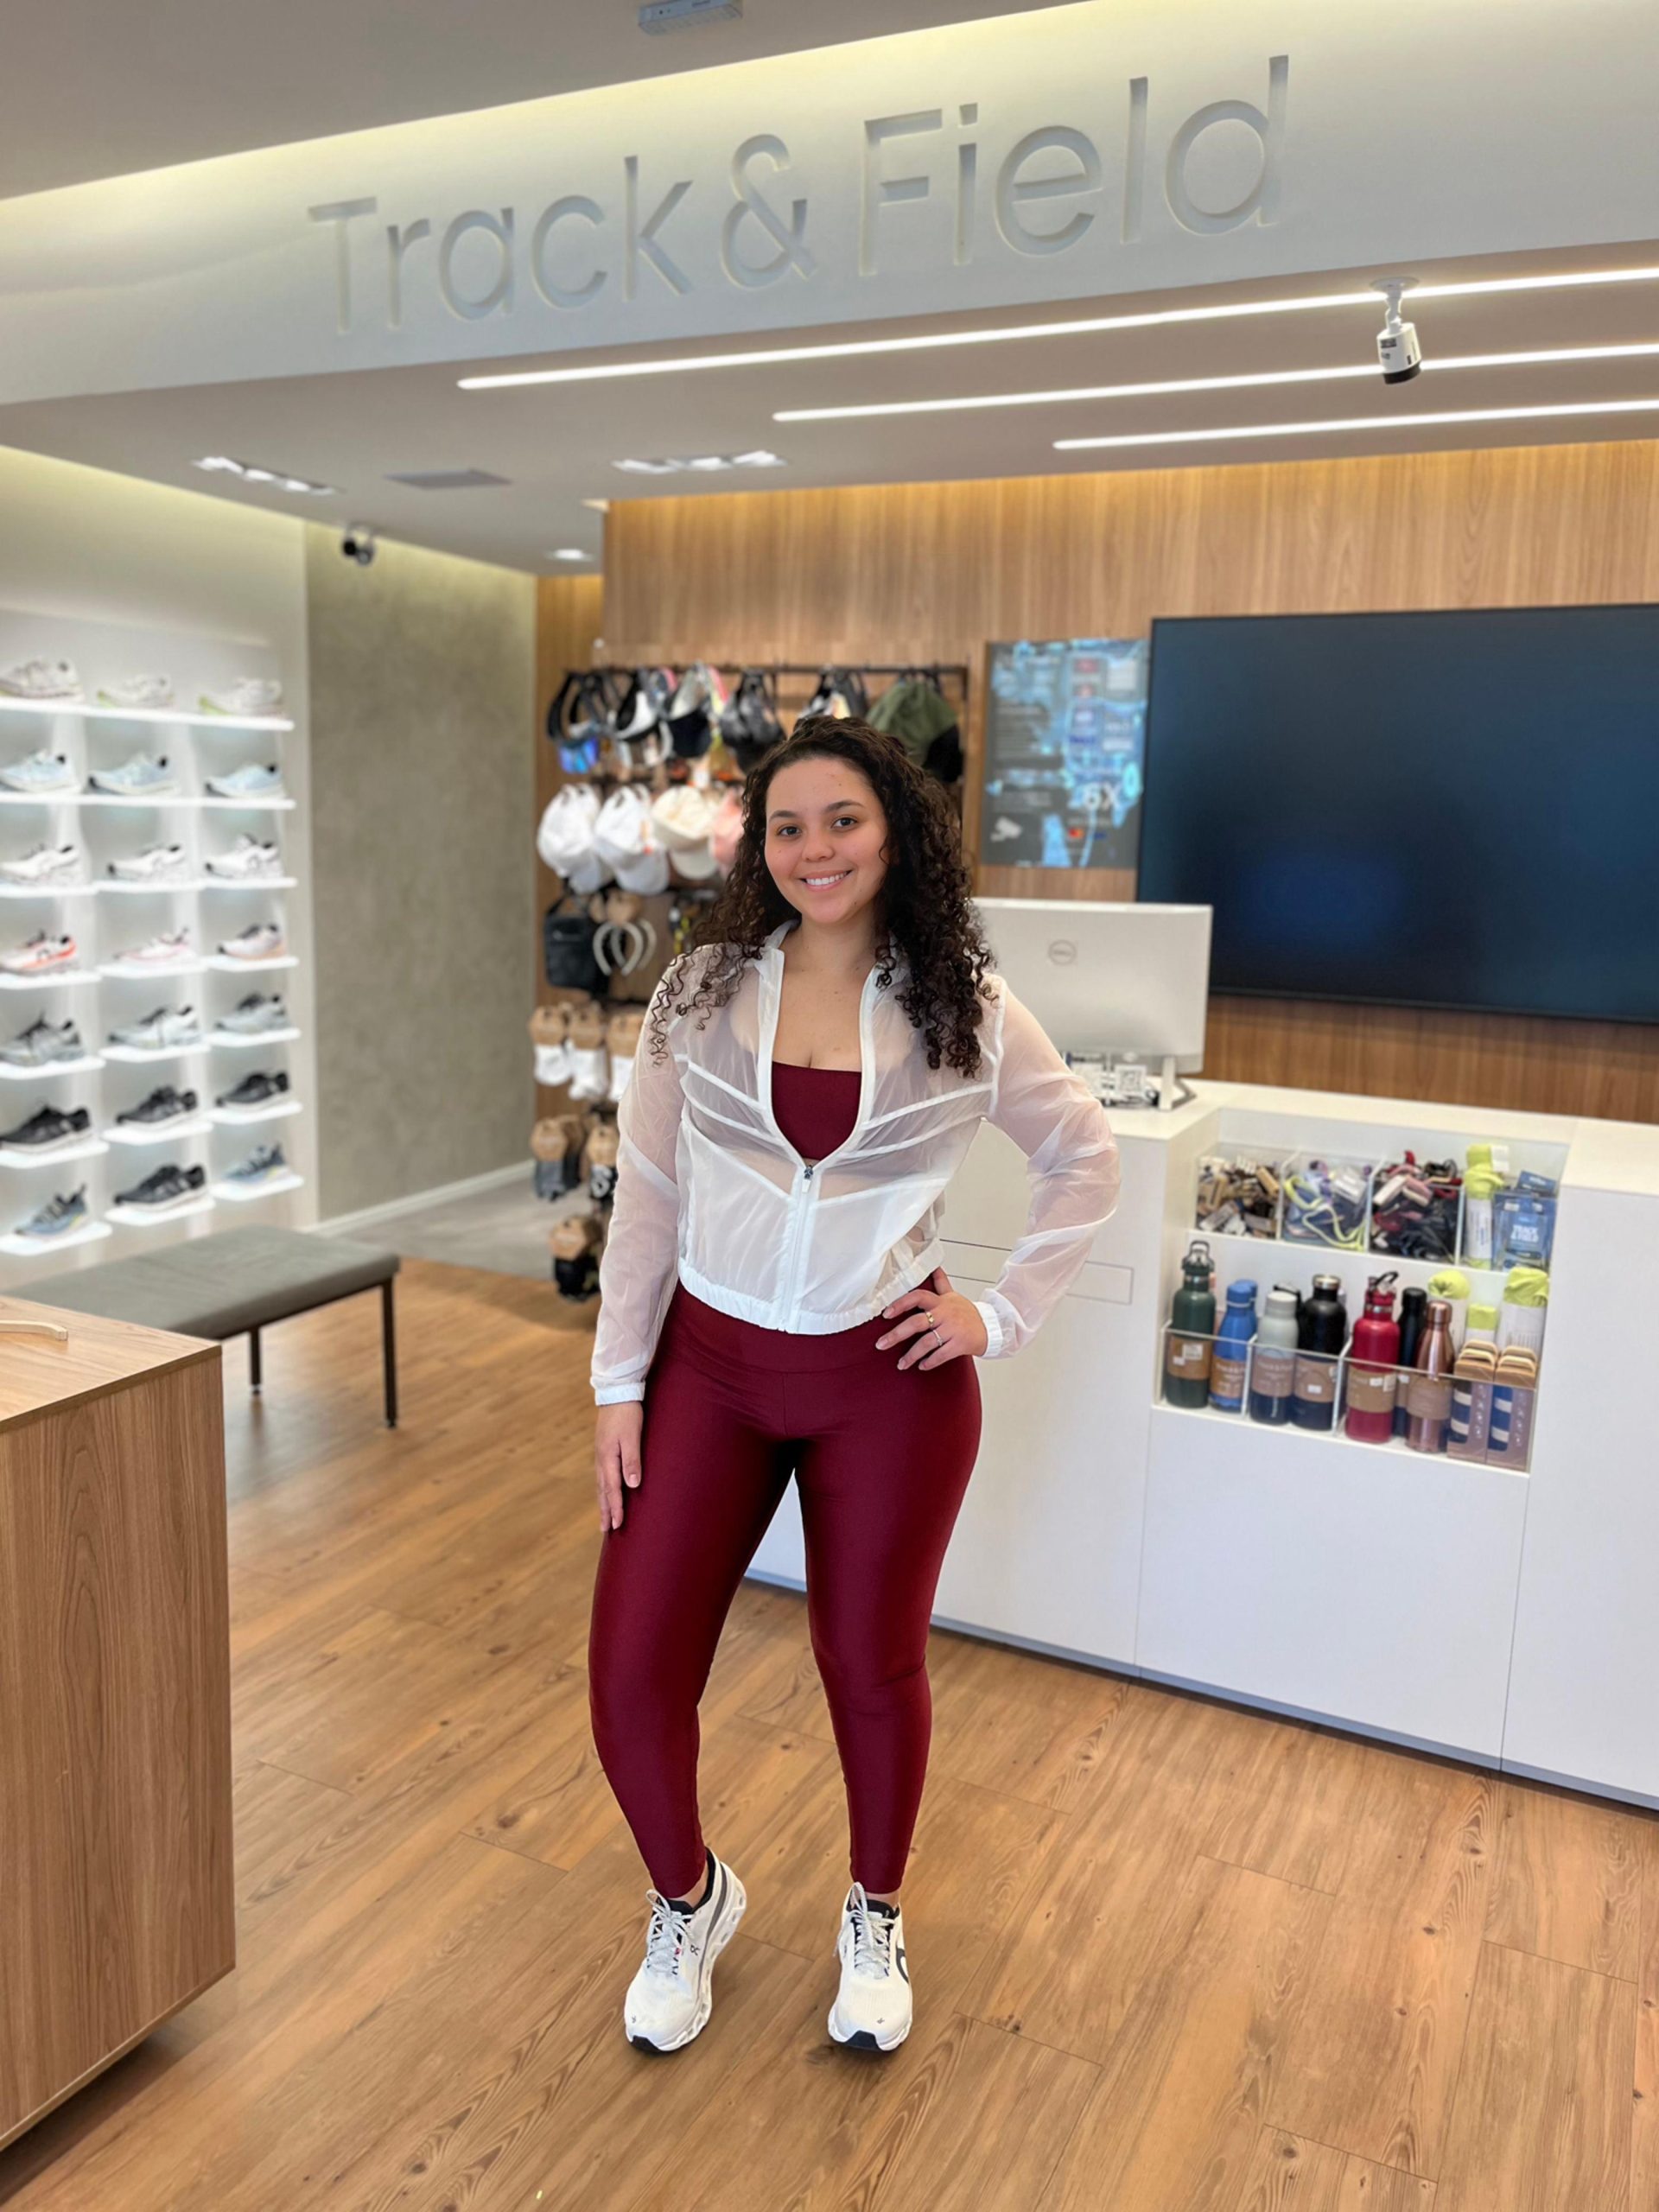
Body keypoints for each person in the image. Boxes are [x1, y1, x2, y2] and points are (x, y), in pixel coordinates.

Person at [587, 715, 1122, 2057]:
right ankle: (688, 1899)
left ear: (894, 835)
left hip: (885, 1383)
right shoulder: (700, 991)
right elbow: (647, 1195)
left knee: (868, 1666)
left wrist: (996, 1313)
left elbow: (1084, 1156)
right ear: (757, 848)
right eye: (787, 827)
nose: (814, 850)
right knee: (630, 1672)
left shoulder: (963, 1003)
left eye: (843, 821)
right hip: (708, 1369)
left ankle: (874, 1914)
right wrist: (616, 1384)